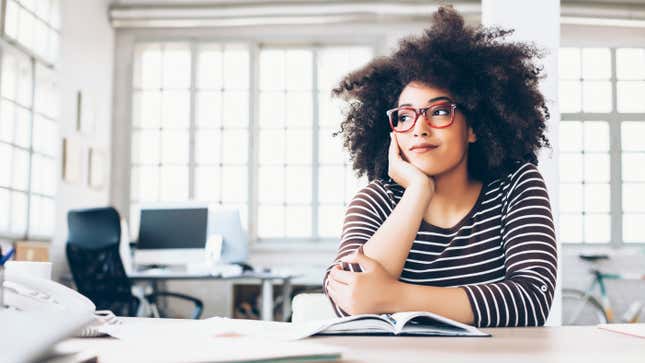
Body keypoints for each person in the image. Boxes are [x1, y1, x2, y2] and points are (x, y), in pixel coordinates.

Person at [322, 6, 557, 327]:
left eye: (439, 112)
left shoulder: (516, 186)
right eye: (404, 116)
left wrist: (392, 296)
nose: (419, 128)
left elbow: (531, 300)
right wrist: (417, 191)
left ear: (473, 127)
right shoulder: (374, 201)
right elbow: (347, 300)